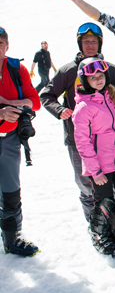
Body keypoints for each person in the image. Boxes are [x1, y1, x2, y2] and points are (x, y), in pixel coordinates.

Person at [40, 23, 115, 222]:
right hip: (78, 139)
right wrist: (60, 110)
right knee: (86, 185)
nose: (90, 45)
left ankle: (113, 224)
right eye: (86, 42)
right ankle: (94, 224)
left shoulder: (110, 69)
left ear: (100, 44)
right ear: (80, 43)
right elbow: (47, 95)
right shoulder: (69, 71)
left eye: (94, 41)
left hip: (109, 141)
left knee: (110, 184)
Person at [72, 57, 115, 257]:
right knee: (105, 201)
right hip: (99, 166)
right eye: (93, 78)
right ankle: (100, 234)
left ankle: (113, 228)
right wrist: (96, 171)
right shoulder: (84, 107)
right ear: (85, 82)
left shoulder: (112, 98)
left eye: (101, 76)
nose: (98, 80)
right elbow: (82, 143)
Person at [0, 27, 41, 256]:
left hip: (10, 139)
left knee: (10, 192)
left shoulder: (17, 69)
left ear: (7, 46)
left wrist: (7, 103)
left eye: (0, 43)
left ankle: (12, 239)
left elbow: (34, 102)